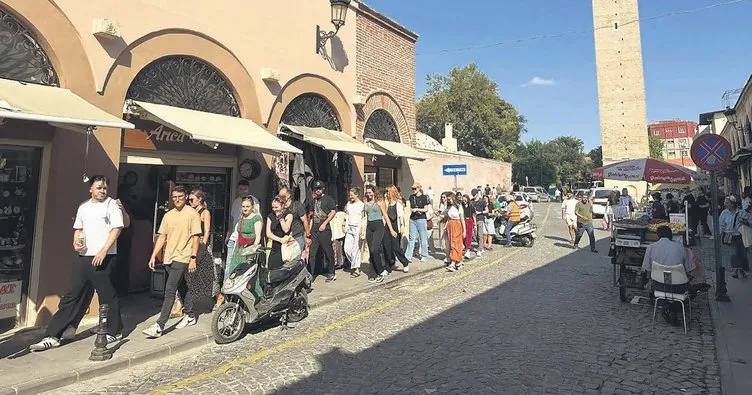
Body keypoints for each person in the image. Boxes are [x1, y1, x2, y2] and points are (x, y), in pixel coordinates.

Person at [30, 176, 125, 351]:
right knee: (71, 295)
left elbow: (117, 229)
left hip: (104, 256)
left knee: (107, 295)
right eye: (99, 188)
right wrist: (75, 242)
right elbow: (79, 229)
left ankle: (114, 330)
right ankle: (53, 335)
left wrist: (104, 250)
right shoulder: (84, 207)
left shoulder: (111, 205)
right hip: (83, 257)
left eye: (104, 188)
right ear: (91, 189)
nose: (102, 191)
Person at [143, 186, 202, 338]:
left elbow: (196, 237)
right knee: (181, 286)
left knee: (169, 290)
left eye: (180, 197)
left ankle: (159, 325)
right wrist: (153, 255)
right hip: (169, 256)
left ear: (186, 196)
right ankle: (190, 314)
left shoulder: (192, 214)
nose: (177, 200)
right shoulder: (168, 215)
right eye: (174, 197)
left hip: (183, 256)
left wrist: (193, 258)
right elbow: (162, 236)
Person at [641, 225, 694, 326]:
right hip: (678, 287)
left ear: (657, 236)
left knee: (660, 284)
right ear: (671, 236)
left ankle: (668, 308)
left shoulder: (651, 247)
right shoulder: (680, 247)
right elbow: (689, 269)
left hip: (659, 286)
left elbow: (647, 269)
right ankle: (672, 309)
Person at [188, 189, 218, 310]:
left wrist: (203, 246)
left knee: (208, 273)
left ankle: (217, 295)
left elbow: (207, 231)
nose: (190, 202)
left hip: (200, 244)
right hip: (189, 244)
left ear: (199, 199)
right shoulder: (189, 211)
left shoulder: (204, 212)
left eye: (192, 200)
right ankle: (183, 303)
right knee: (189, 274)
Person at [225, 181, 260, 280]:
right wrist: (228, 234)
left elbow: (257, 220)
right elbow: (232, 220)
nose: (243, 191)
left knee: (243, 265)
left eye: (245, 189)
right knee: (229, 264)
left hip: (246, 239)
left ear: (248, 189)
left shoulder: (254, 201)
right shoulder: (236, 201)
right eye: (241, 189)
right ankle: (226, 287)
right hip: (234, 237)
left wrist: (254, 245)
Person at [307, 180, 337, 282]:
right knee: (312, 253)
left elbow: (333, 211)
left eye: (319, 188)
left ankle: (331, 272)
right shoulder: (313, 200)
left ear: (323, 189)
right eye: (316, 188)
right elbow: (311, 215)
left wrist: (325, 223)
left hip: (325, 230)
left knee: (327, 251)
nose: (318, 190)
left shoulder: (328, 199)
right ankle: (311, 274)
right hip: (314, 230)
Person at [720, 196, 749, 279]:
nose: (725, 204)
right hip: (730, 236)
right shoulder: (724, 213)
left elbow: (749, 222)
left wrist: (743, 221)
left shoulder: (741, 212)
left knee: (742, 253)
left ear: (733, 204)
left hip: (740, 235)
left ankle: (741, 270)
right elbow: (721, 224)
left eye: (727, 202)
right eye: (725, 202)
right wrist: (719, 233)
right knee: (733, 253)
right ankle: (735, 270)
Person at [383, 185, 411, 273]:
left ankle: (405, 262)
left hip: (395, 226)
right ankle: (389, 265)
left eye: (388, 192)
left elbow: (400, 217)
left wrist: (402, 227)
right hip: (387, 227)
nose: (386, 194)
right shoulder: (386, 203)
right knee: (386, 246)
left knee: (396, 247)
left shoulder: (398, 204)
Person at [364, 185, 388, 283]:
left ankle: (381, 271)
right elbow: (364, 216)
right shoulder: (365, 203)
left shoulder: (379, 202)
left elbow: (385, 215)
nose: (369, 194)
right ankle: (373, 273)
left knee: (375, 249)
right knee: (371, 251)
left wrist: (391, 229)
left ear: (374, 192)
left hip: (378, 225)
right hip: (369, 227)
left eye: (370, 192)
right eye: (367, 192)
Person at [278, 187, 309, 252]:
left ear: (289, 195)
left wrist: (307, 235)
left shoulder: (296, 205)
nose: (280, 197)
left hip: (297, 236)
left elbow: (305, 220)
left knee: (297, 258)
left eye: (282, 195)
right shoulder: (280, 207)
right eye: (279, 195)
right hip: (285, 238)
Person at [266, 198, 294, 271]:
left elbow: (286, 229)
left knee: (283, 268)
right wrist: (279, 240)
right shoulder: (271, 216)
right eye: (273, 207)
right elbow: (268, 233)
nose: (274, 209)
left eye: (276, 207)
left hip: (285, 246)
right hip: (275, 245)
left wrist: (281, 218)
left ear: (282, 206)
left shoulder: (288, 215)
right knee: (272, 267)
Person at [441, 194, 466, 272]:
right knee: (452, 243)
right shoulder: (450, 208)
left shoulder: (459, 207)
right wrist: (446, 225)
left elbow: (462, 219)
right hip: (450, 226)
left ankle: (453, 262)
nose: (449, 200)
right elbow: (449, 218)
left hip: (457, 225)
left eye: (450, 199)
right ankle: (459, 261)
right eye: (448, 199)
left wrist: (464, 230)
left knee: (455, 243)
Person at [406, 183, 430, 262]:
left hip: (421, 219)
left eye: (415, 189)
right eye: (412, 189)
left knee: (423, 237)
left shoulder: (424, 197)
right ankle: (408, 256)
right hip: (413, 219)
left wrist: (418, 209)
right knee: (411, 238)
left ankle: (424, 255)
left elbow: (426, 209)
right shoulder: (411, 197)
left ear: (419, 188)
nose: (413, 190)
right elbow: (409, 207)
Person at [344, 187, 365, 277]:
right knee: (347, 248)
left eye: (352, 195)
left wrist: (362, 229)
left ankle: (356, 268)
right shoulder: (349, 204)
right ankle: (355, 263)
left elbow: (364, 217)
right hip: (349, 227)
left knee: (355, 249)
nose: (350, 197)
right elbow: (346, 215)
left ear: (357, 195)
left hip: (357, 227)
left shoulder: (361, 205)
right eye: (350, 195)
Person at [472, 190, 489, 256]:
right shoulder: (471, 202)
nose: (474, 196)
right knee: (474, 234)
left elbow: (487, 210)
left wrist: (480, 212)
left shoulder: (482, 201)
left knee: (480, 234)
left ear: (477, 194)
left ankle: (480, 248)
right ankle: (480, 245)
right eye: (472, 194)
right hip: (473, 219)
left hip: (480, 219)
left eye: (474, 194)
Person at [461, 194, 474, 259]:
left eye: (465, 199)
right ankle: (465, 248)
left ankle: (468, 250)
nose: (464, 201)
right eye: (463, 200)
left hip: (469, 221)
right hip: (463, 221)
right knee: (463, 236)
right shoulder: (461, 207)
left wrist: (474, 224)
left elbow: (473, 215)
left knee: (469, 235)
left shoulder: (471, 206)